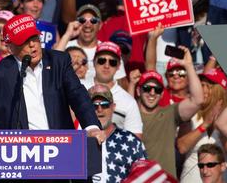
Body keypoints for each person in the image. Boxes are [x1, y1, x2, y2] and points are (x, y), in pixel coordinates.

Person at [0, 14, 101, 132]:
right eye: (24, 41)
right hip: (17, 158)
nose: (32, 45)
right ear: (10, 47)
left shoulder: (58, 62)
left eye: (34, 38)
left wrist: (92, 127)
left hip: (59, 151)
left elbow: (78, 96)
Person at [137, 47, 204, 179]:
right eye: (147, 88)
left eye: (156, 89)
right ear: (138, 91)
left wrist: (189, 65)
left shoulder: (169, 113)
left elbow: (198, 100)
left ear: (162, 94)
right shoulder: (131, 115)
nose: (152, 93)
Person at [88, 84, 146, 182]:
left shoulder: (131, 141)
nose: (99, 109)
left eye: (105, 104)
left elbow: (144, 177)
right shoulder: (76, 142)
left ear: (113, 107)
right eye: (94, 105)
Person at [83, 42, 143, 136]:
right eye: (102, 60)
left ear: (119, 66)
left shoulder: (129, 101)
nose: (106, 66)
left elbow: (135, 140)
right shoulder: (78, 87)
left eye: (112, 62)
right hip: (79, 147)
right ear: (94, 62)